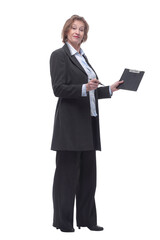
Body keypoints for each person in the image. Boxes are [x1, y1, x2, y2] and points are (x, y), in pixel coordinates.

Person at [50, 15, 123, 233]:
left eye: (82, 29)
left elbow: (89, 91)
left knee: (89, 176)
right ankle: (63, 222)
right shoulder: (59, 55)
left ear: (85, 35)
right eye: (74, 28)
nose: (78, 32)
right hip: (70, 127)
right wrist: (85, 87)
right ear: (66, 31)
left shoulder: (84, 57)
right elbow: (58, 89)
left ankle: (87, 220)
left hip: (89, 124)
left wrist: (109, 88)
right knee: (67, 176)